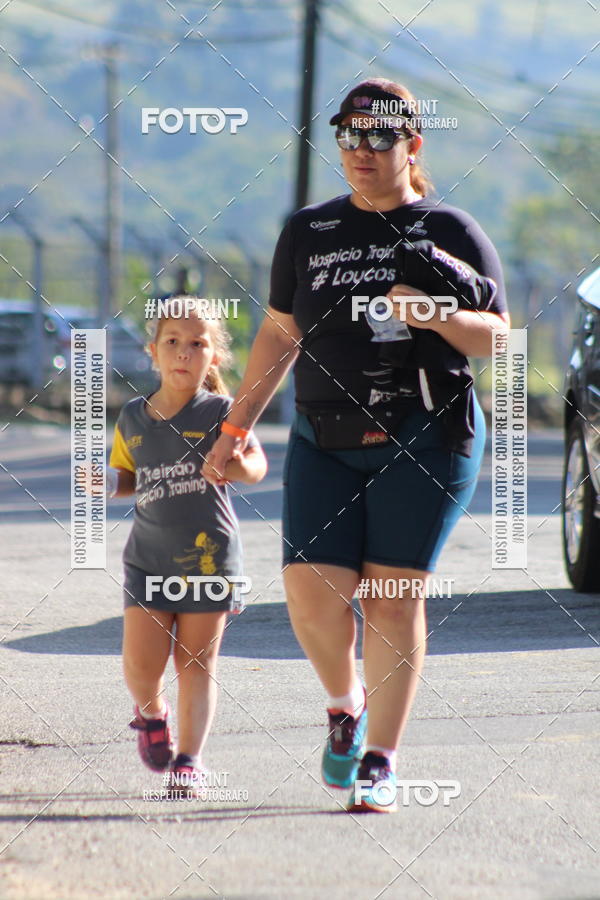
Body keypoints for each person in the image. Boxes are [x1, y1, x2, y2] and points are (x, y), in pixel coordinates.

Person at [203, 77, 510, 812]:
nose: (361, 152)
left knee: (392, 600)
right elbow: (280, 333)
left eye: (378, 138)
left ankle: (380, 759)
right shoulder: (308, 231)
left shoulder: (452, 228)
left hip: (427, 433)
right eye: (348, 136)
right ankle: (346, 708)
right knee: (312, 596)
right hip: (324, 434)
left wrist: (437, 312)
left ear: (413, 144)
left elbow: (496, 336)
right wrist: (236, 425)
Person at [108, 297, 267, 796]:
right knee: (141, 667)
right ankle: (152, 713)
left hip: (210, 559)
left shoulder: (225, 412)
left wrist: (234, 465)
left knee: (197, 662)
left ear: (214, 357)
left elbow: (257, 466)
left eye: (197, 344)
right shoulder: (133, 417)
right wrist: (105, 482)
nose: (184, 353)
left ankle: (189, 761)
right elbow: (129, 476)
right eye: (172, 342)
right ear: (153, 352)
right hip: (148, 559)